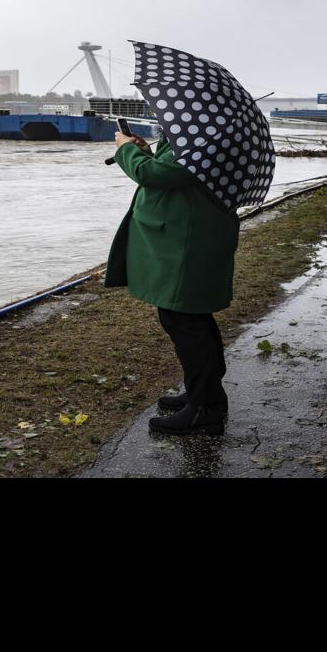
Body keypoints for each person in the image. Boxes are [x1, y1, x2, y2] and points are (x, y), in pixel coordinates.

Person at [104, 129, 240, 435]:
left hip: (188, 242)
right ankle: (206, 396)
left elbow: (152, 174)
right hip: (190, 236)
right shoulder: (200, 133)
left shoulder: (200, 136)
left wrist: (127, 149)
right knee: (191, 317)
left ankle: (204, 409)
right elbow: (172, 170)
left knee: (183, 319)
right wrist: (145, 151)